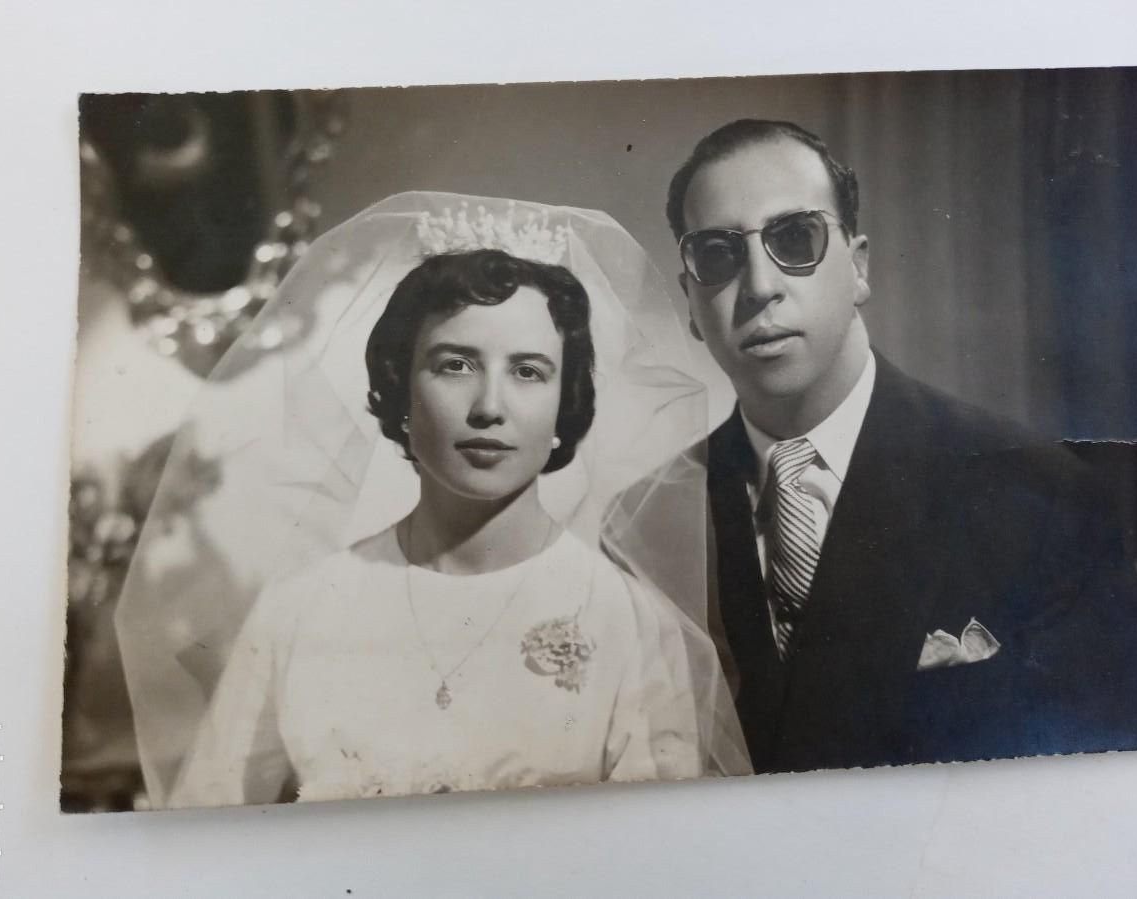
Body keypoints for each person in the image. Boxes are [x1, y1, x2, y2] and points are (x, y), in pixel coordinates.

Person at [117, 194, 749, 809]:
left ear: (565, 404)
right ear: (400, 390)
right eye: (455, 365)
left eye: (528, 371)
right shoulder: (301, 611)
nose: (490, 407)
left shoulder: (631, 625)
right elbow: (210, 829)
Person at [651, 118, 1137, 773]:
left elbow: (1122, 787)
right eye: (718, 255)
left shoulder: (1044, 494)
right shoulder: (648, 523)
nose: (759, 287)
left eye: (795, 239)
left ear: (860, 267)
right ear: (690, 303)